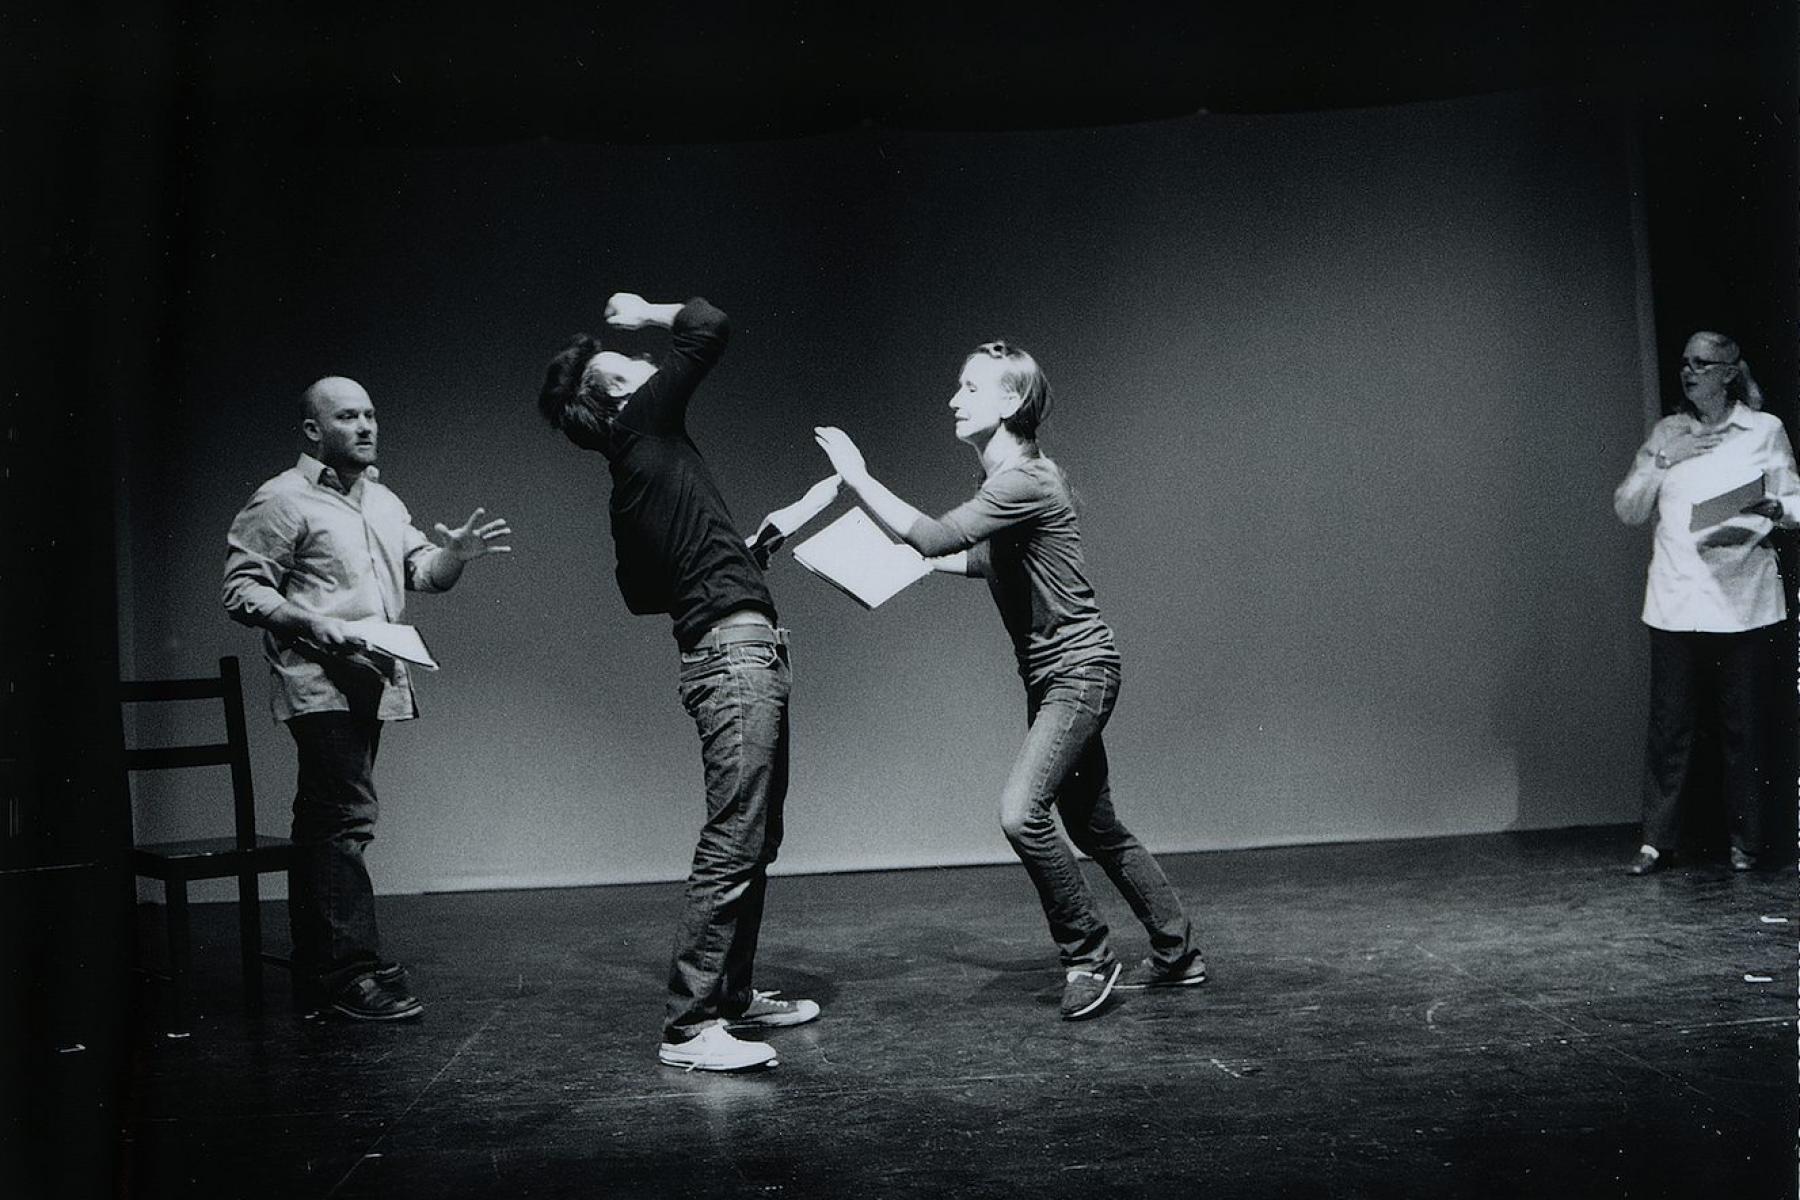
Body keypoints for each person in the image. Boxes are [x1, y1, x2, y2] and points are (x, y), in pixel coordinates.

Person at [814, 340, 1204, 1020]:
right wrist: (880, 558)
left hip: (1078, 672)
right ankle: (1180, 954)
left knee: (1022, 814)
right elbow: (976, 562)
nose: (953, 399)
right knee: (1094, 824)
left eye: (970, 388)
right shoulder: (1006, 486)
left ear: (1010, 402)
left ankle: (1088, 955)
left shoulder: (1025, 480)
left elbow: (937, 538)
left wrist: (859, 477)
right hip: (1056, 675)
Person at [537, 293, 822, 1072]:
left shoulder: (633, 469)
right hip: (735, 663)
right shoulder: (646, 423)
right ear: (620, 394)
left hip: (736, 653)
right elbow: (709, 328)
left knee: (755, 837)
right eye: (624, 363)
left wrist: (734, 553)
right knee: (736, 837)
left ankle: (729, 999)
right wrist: (649, 310)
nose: (641, 360)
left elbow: (640, 592)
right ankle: (689, 1027)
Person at [223, 376, 512, 1020]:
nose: (365, 426)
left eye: (371, 415)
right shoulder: (281, 499)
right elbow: (242, 589)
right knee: (345, 817)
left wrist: (456, 555)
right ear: (313, 430)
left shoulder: (382, 501)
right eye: (348, 416)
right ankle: (344, 969)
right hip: (318, 679)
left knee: (329, 818)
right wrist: (307, 621)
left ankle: (325, 956)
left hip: (374, 679)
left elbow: (423, 573)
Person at [1613, 331, 1799, 875]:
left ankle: (1750, 840)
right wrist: (1661, 461)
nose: (1689, 372)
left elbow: (1794, 502)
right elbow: (1628, 507)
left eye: (1702, 363)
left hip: (1743, 598)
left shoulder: (1764, 431)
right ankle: (1657, 841)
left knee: (1744, 727)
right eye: (1685, 363)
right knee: (1670, 728)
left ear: (1728, 372)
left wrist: (1772, 508)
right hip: (1676, 599)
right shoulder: (1668, 433)